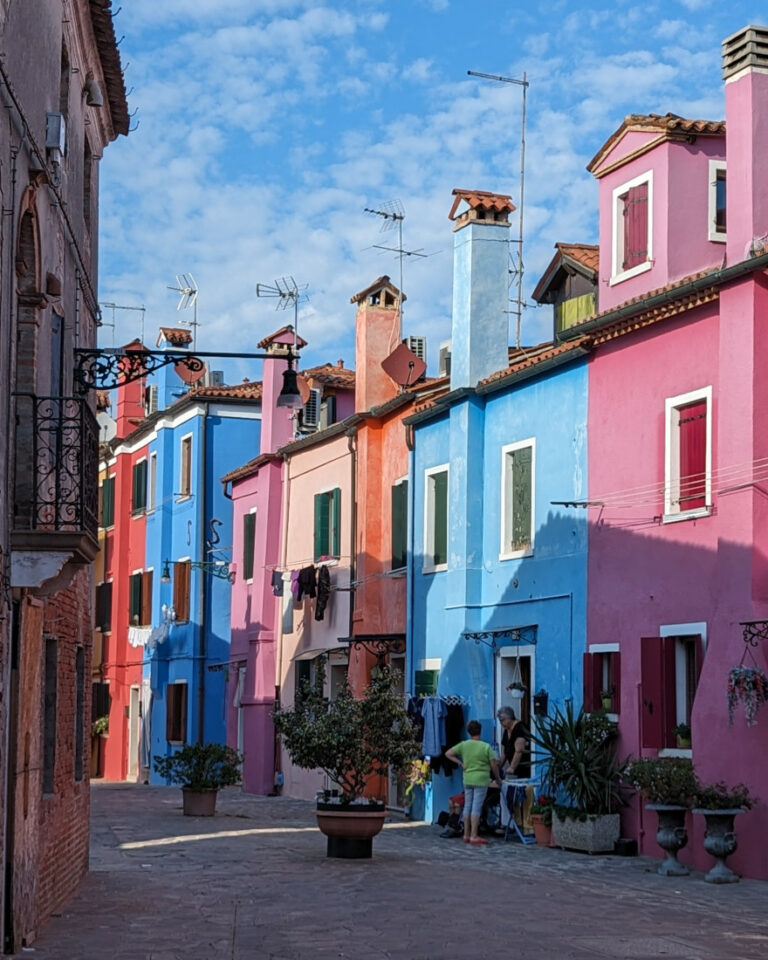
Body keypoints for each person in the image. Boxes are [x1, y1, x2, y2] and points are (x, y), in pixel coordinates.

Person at [445, 720, 501, 845]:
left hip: (468, 779)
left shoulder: (464, 745)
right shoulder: (486, 747)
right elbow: (494, 765)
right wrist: (498, 779)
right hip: (481, 780)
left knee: (468, 806)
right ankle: (474, 835)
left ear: (469, 732)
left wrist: (460, 763)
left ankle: (466, 834)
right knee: (476, 808)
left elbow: (448, 753)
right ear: (480, 731)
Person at [497, 705, 530, 779]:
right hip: (517, 772)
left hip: (525, 769)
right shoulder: (507, 730)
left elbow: (519, 750)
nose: (501, 723)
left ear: (509, 718)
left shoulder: (520, 728)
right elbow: (504, 752)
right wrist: (498, 767)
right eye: (500, 721)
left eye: (502, 720)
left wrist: (512, 767)